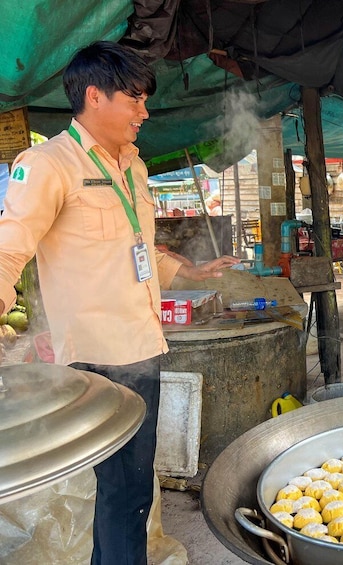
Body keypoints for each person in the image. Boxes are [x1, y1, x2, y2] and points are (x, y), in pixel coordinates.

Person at [0, 42, 240, 564]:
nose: (145, 112)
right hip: (96, 356)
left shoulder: (130, 165)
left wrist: (189, 270)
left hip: (139, 346)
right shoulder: (47, 165)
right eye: (134, 99)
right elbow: (8, 245)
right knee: (124, 491)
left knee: (128, 491)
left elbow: (136, 245)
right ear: (94, 97)